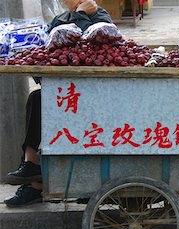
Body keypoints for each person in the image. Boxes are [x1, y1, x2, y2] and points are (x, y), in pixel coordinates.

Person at [4, 0, 112, 207]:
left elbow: (86, 44)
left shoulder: (101, 18)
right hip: (64, 89)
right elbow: (50, 50)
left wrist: (81, 14)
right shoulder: (59, 20)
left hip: (93, 92)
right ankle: (32, 167)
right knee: (37, 98)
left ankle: (41, 183)